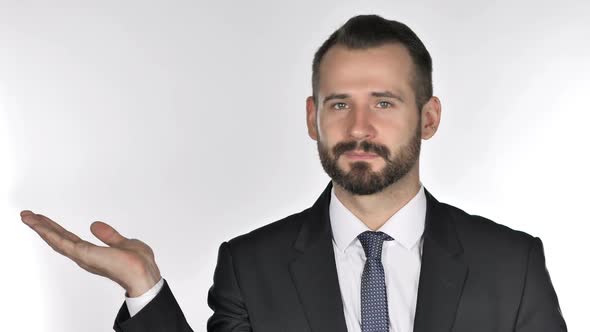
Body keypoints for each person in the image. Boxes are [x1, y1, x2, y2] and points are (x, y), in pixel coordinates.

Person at [20, 14, 567, 332]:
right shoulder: (249, 266)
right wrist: (144, 288)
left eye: (383, 103)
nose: (358, 127)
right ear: (312, 118)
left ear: (428, 117)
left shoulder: (511, 266)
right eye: (337, 104)